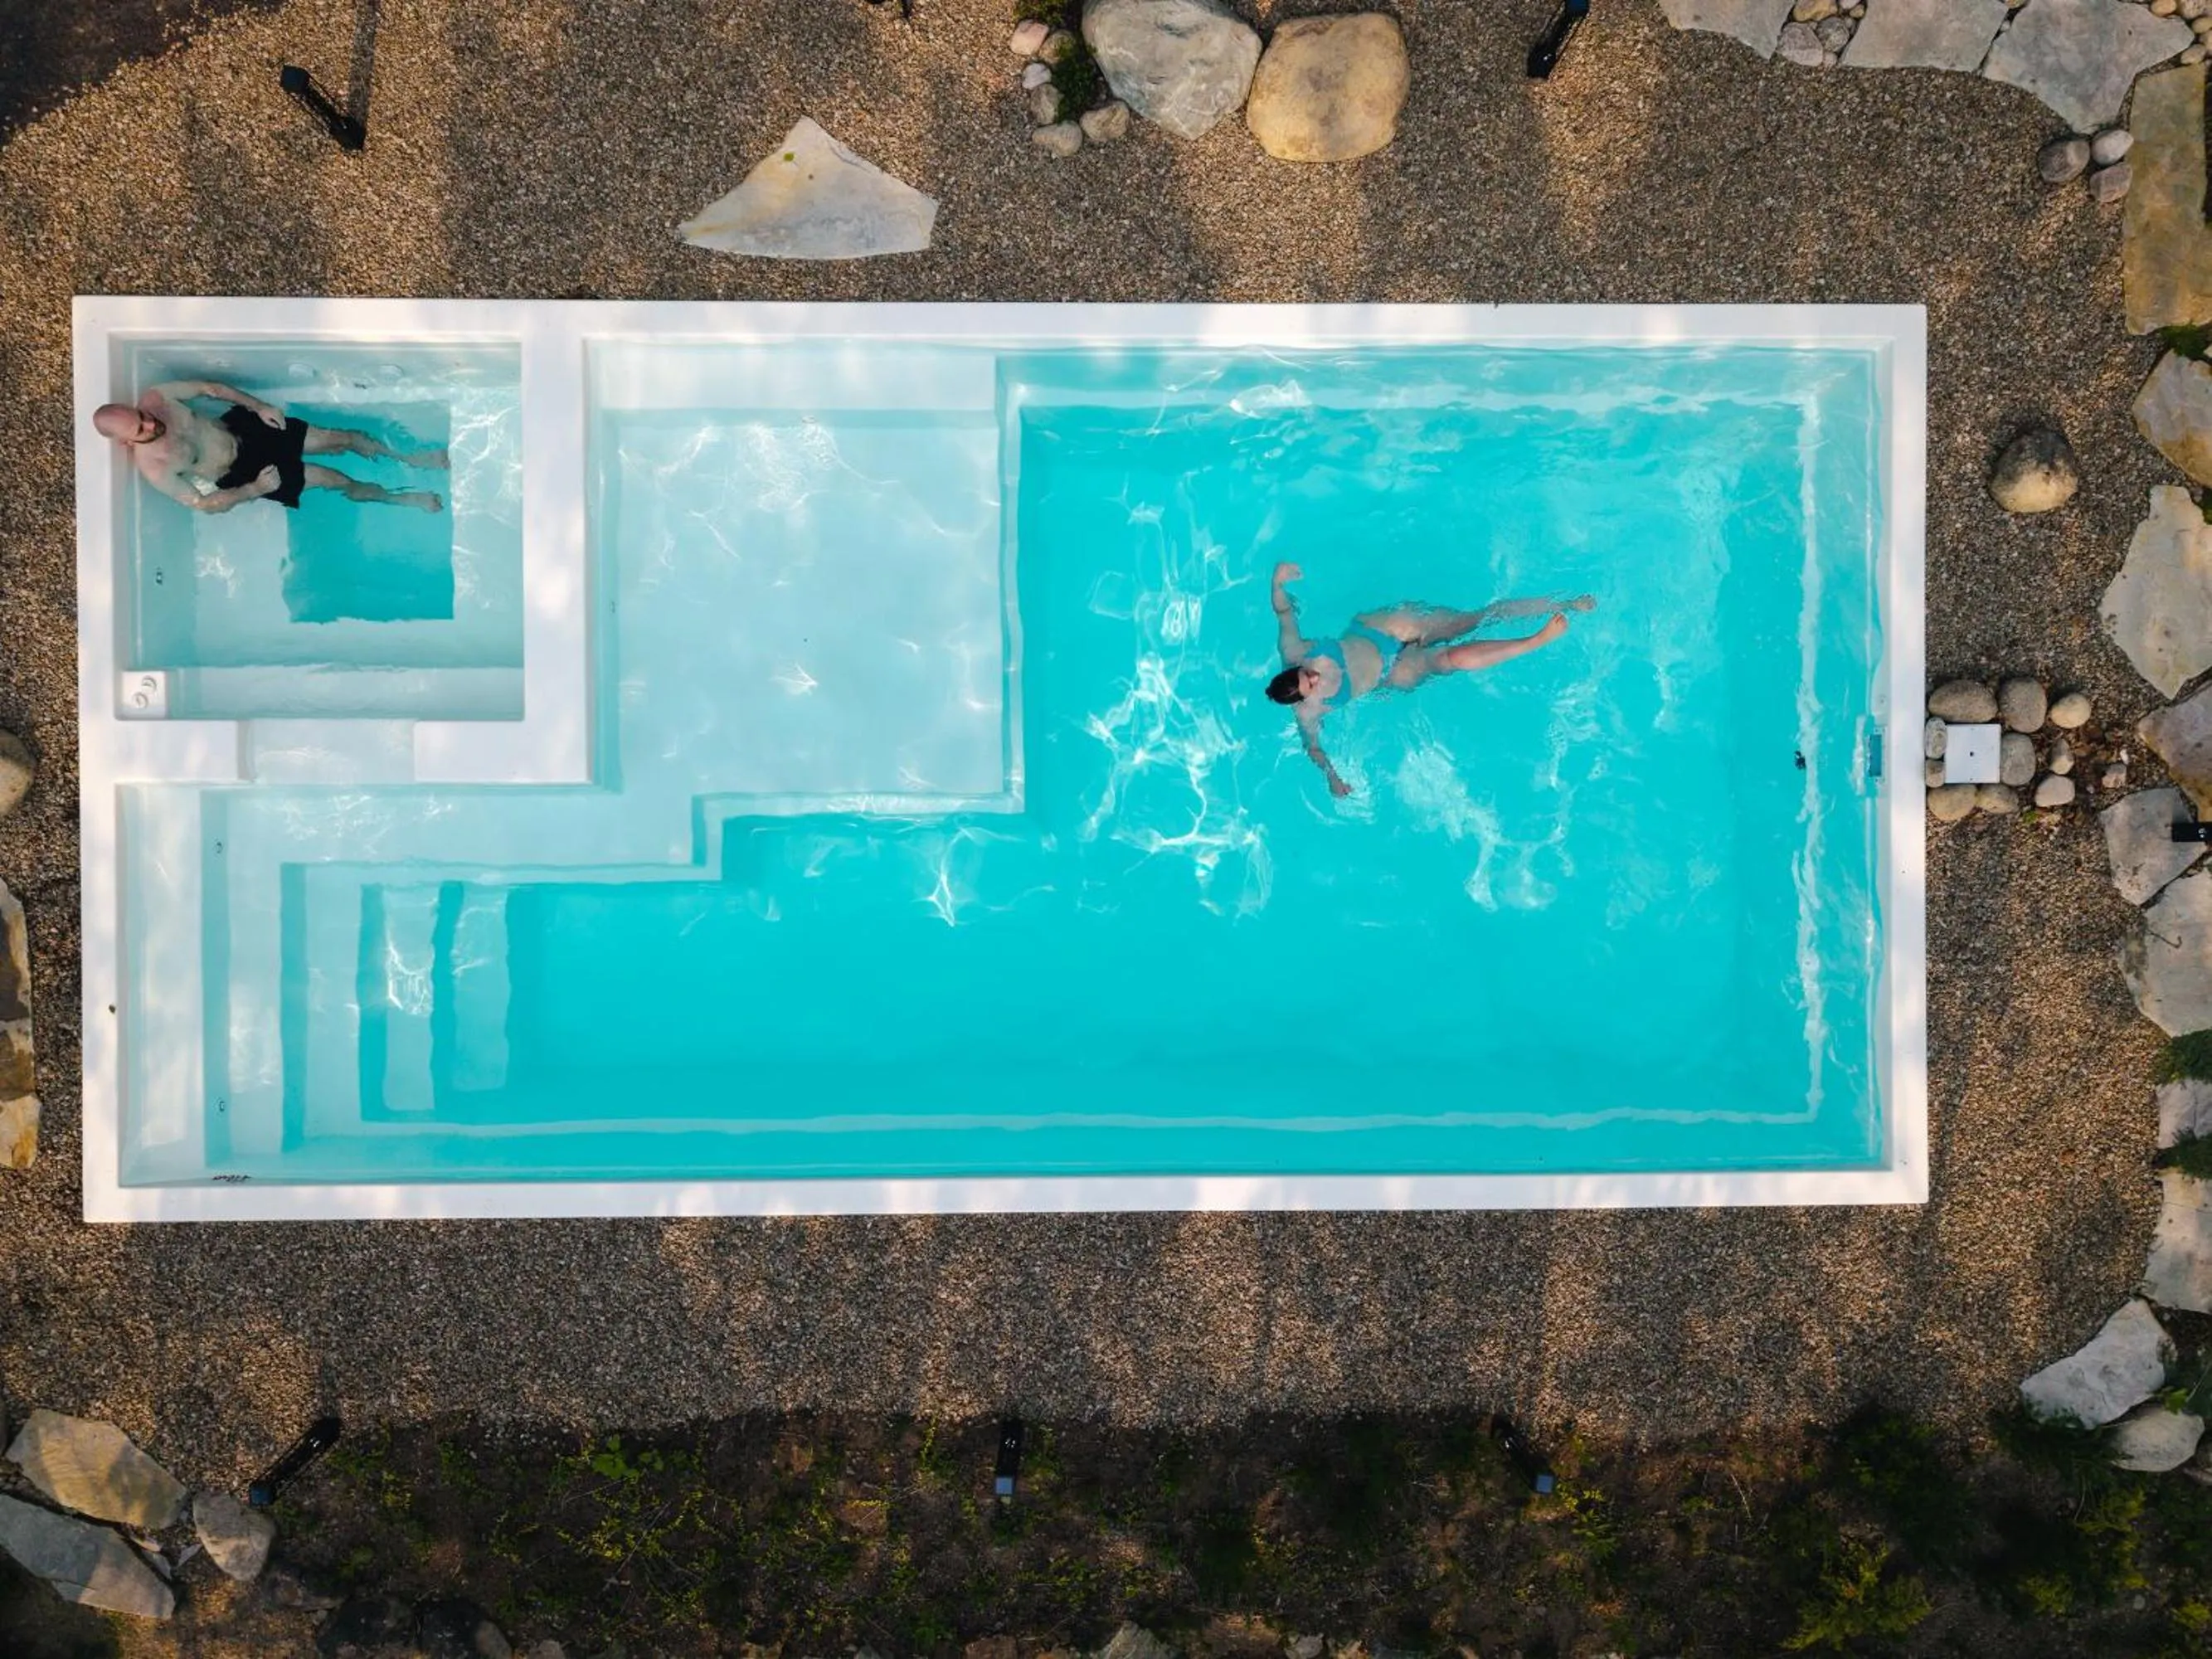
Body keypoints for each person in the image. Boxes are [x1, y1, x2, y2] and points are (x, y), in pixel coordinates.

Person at [1265, 561, 1594, 797]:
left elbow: (1284, 614)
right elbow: (1314, 749)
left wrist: (1277, 583)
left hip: (1378, 630)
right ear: (1305, 698)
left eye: (1306, 672)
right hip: (1392, 672)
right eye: (1312, 684)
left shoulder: (1293, 649)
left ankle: (1566, 603)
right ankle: (1534, 641)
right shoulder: (1309, 712)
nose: (1315, 675)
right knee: (1451, 658)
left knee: (1473, 620)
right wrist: (1332, 778)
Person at [91, 380, 446, 514]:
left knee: (344, 438)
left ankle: (409, 458)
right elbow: (203, 504)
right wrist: (252, 490)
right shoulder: (156, 467)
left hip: (245, 430)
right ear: (127, 442)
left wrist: (258, 407)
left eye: (143, 416)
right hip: (243, 472)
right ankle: (399, 498)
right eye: (142, 429)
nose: (152, 423)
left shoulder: (158, 397)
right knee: (334, 479)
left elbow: (213, 390)